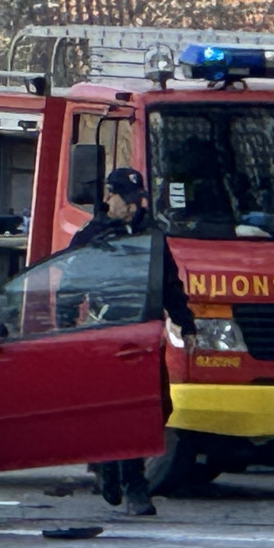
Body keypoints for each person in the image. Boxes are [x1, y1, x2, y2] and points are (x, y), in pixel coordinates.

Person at [70, 167, 197, 517]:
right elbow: (69, 284)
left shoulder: (152, 235)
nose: (124, 205)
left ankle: (113, 467)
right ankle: (130, 483)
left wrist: (186, 324)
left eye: (130, 199)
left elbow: (169, 282)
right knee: (120, 411)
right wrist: (65, 327)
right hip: (106, 334)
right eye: (119, 198)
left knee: (156, 408)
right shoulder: (92, 236)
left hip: (144, 335)